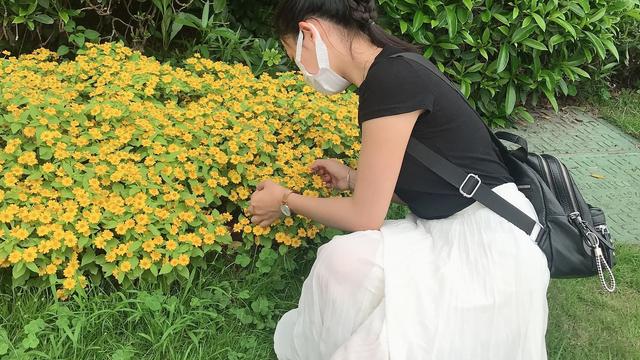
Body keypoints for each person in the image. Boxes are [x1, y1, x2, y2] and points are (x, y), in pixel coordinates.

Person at [246, 0, 550, 358]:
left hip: (486, 249)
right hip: (460, 227)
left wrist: (285, 200)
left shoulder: (389, 81)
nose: (301, 70)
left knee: (349, 272)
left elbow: (364, 218)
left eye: (291, 53)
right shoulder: (392, 66)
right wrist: (353, 179)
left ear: (309, 33)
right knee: (345, 263)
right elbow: (436, 185)